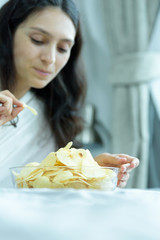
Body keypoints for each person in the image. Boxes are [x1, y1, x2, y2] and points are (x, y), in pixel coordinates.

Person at [0, 0, 139, 188]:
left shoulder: (50, 114)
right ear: (7, 34)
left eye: (63, 49)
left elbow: (38, 186)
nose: (50, 59)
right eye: (38, 40)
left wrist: (85, 172)